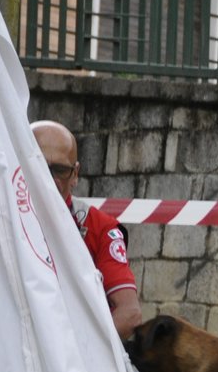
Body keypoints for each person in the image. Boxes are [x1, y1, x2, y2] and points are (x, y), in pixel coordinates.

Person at [31, 120, 142, 339]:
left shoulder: (100, 228)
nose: (50, 179)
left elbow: (130, 314)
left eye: (60, 170)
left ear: (75, 174)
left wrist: (72, 353)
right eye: (40, 166)